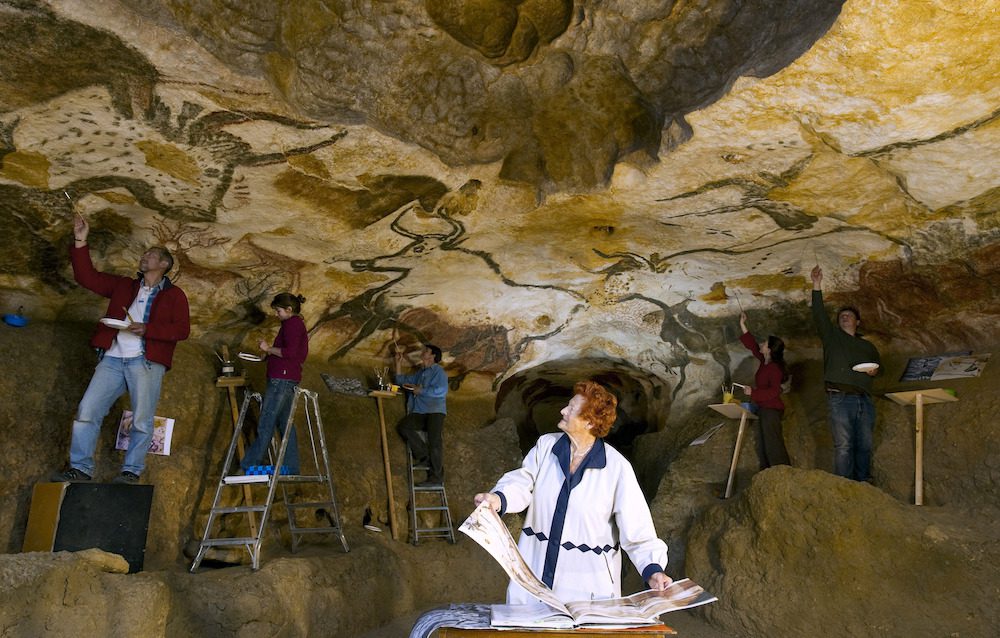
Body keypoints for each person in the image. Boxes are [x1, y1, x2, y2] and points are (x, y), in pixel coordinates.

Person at [474, 380, 672, 604]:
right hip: (535, 574)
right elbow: (523, 481)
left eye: (570, 408)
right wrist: (498, 499)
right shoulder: (546, 446)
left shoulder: (616, 467)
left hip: (588, 589)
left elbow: (638, 527)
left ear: (589, 422)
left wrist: (653, 570)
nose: (562, 410)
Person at [51, 214, 190, 484]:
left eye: (151, 255)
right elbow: (87, 277)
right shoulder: (124, 286)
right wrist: (80, 240)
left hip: (146, 361)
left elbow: (182, 330)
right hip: (113, 359)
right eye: (145, 254)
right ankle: (80, 467)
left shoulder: (174, 295)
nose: (144, 257)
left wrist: (148, 330)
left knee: (142, 419)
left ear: (164, 264)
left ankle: (131, 471)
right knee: (87, 411)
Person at [811, 265, 881, 481]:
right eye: (842, 315)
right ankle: (844, 485)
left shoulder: (867, 346)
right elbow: (819, 314)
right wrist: (816, 284)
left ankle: (863, 483)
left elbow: (879, 367)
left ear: (857, 322)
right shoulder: (831, 337)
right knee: (844, 445)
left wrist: (874, 371)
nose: (845, 317)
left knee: (865, 445)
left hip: (864, 398)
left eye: (849, 315)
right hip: (839, 397)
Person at [239, 293, 309, 475]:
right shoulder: (294, 324)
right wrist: (269, 355)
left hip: (282, 378)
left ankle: (250, 463)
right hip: (288, 377)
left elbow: (290, 352)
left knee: (267, 420)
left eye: (278, 311)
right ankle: (291, 466)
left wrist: (268, 348)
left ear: (289, 310)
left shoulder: (292, 324)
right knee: (285, 423)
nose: (276, 315)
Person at [738, 312, 791, 468]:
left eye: (765, 343)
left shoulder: (774, 368)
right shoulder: (765, 361)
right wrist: (742, 324)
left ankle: (782, 472)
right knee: (764, 442)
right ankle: (769, 473)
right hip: (764, 409)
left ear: (769, 349)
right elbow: (752, 345)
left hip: (771, 410)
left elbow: (775, 391)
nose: (761, 344)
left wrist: (753, 393)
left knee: (772, 442)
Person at [394, 344, 448, 487]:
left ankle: (436, 477)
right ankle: (424, 456)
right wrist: (398, 364)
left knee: (435, 442)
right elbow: (401, 381)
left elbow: (441, 390)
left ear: (433, 356)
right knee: (404, 427)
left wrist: (421, 390)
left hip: (435, 411)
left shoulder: (439, 372)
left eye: (426, 351)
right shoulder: (421, 372)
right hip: (420, 412)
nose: (423, 352)